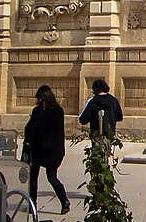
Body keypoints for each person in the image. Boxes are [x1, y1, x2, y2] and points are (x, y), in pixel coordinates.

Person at [22, 84, 69, 213]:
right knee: (51, 177)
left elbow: (31, 129)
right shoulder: (58, 110)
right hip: (54, 151)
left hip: (40, 150)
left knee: (35, 177)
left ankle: (33, 204)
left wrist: (28, 142)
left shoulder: (38, 111)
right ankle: (64, 201)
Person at [80, 77, 123, 143]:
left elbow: (83, 119)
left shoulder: (92, 101)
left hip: (96, 135)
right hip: (110, 134)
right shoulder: (114, 101)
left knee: (97, 152)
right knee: (107, 151)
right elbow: (120, 117)